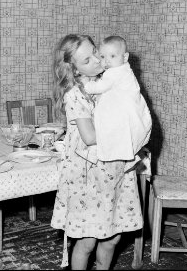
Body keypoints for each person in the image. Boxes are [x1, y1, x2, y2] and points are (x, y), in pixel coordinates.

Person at [50, 34, 144, 270]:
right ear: (73, 69)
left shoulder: (110, 79)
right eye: (86, 60)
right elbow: (90, 137)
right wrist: (122, 131)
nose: (96, 60)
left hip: (117, 169)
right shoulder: (75, 94)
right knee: (87, 240)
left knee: (113, 237)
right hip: (89, 176)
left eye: (95, 52)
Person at [82, 35, 152, 162]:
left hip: (126, 110)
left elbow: (99, 87)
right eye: (103, 56)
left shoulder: (116, 72)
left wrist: (86, 84)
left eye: (112, 56)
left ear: (125, 57)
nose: (107, 61)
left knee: (113, 130)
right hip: (131, 108)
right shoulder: (124, 69)